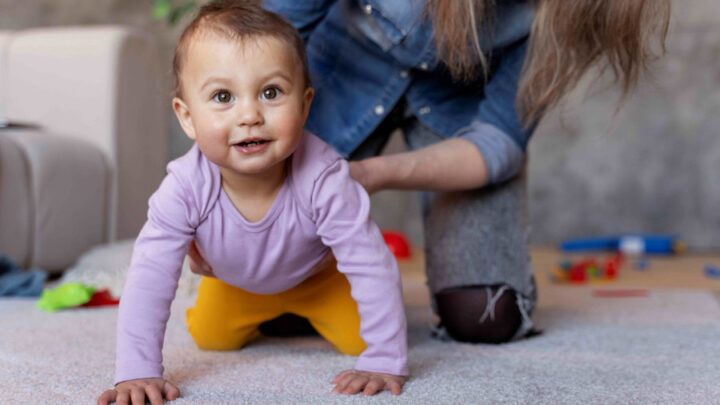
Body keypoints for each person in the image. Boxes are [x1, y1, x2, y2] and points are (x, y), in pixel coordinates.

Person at [189, 0, 671, 343]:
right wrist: (211, 182)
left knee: (485, 316)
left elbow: (499, 141)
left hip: (460, 99)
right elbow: (274, 31)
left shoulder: (572, 12)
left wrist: (371, 174)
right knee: (279, 299)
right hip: (338, 66)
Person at [97, 2, 408, 404]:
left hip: (318, 281)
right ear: (187, 117)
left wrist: (384, 357)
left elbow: (369, 261)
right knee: (209, 337)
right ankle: (275, 317)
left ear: (305, 103)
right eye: (223, 96)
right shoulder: (185, 187)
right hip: (236, 286)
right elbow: (150, 274)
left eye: (271, 92)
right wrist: (136, 371)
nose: (250, 115)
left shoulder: (325, 177)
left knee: (356, 340)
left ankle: (299, 315)